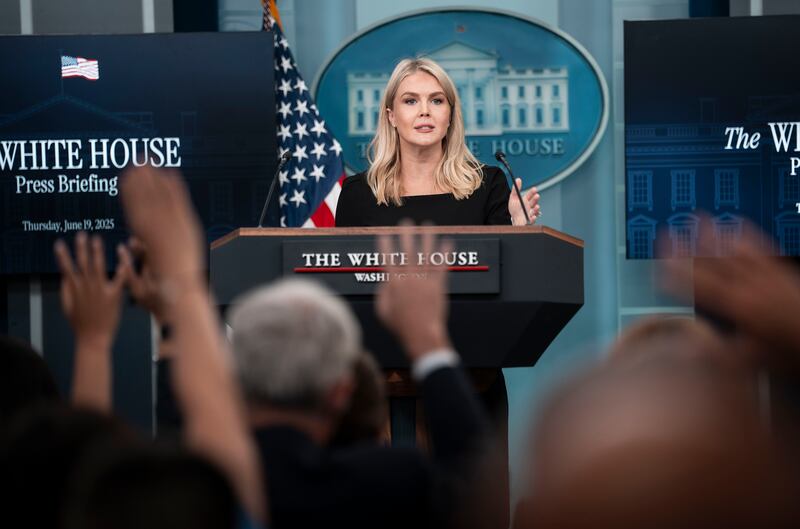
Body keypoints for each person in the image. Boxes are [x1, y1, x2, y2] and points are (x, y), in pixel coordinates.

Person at [226, 228, 499, 529]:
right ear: (342, 391)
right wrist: (428, 339)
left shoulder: (205, 481)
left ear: (237, 382)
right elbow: (479, 488)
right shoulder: (391, 483)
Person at [335, 57, 540, 227]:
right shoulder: (358, 192)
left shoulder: (488, 185)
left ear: (450, 115)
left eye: (437, 100)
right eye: (410, 101)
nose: (425, 111)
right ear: (392, 116)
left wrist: (517, 228)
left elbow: (504, 270)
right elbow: (342, 273)